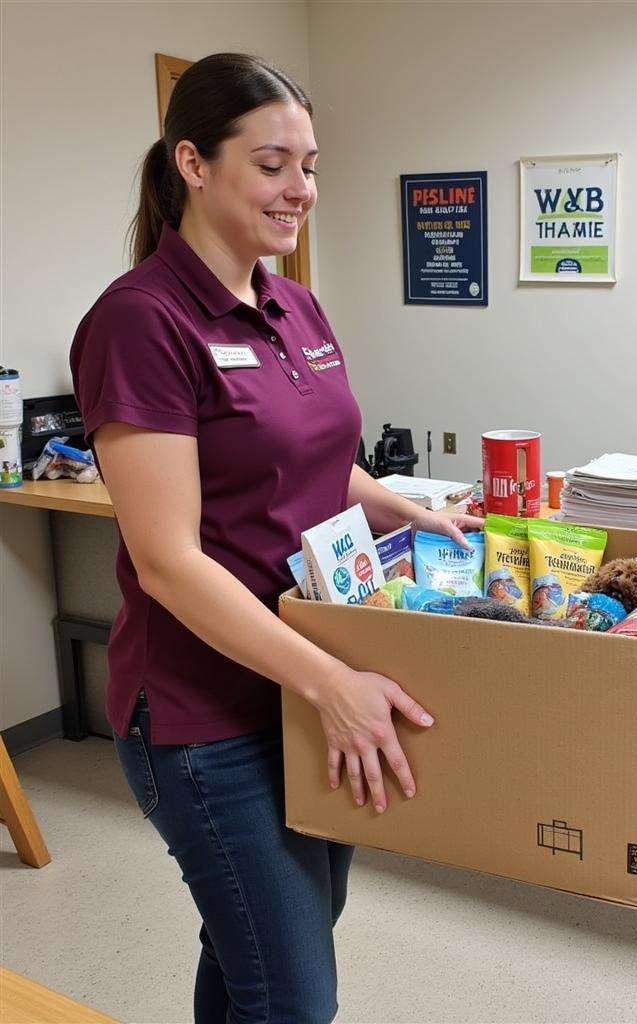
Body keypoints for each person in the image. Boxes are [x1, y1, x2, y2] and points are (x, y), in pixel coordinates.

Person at [70, 53, 480, 1024]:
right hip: (206, 711)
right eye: (271, 163)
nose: (301, 189)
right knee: (291, 991)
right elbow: (168, 562)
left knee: (262, 945)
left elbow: (313, 459)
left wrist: (413, 515)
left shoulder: (292, 304)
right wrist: (331, 684)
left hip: (301, 679)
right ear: (193, 163)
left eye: (310, 163)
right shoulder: (141, 323)